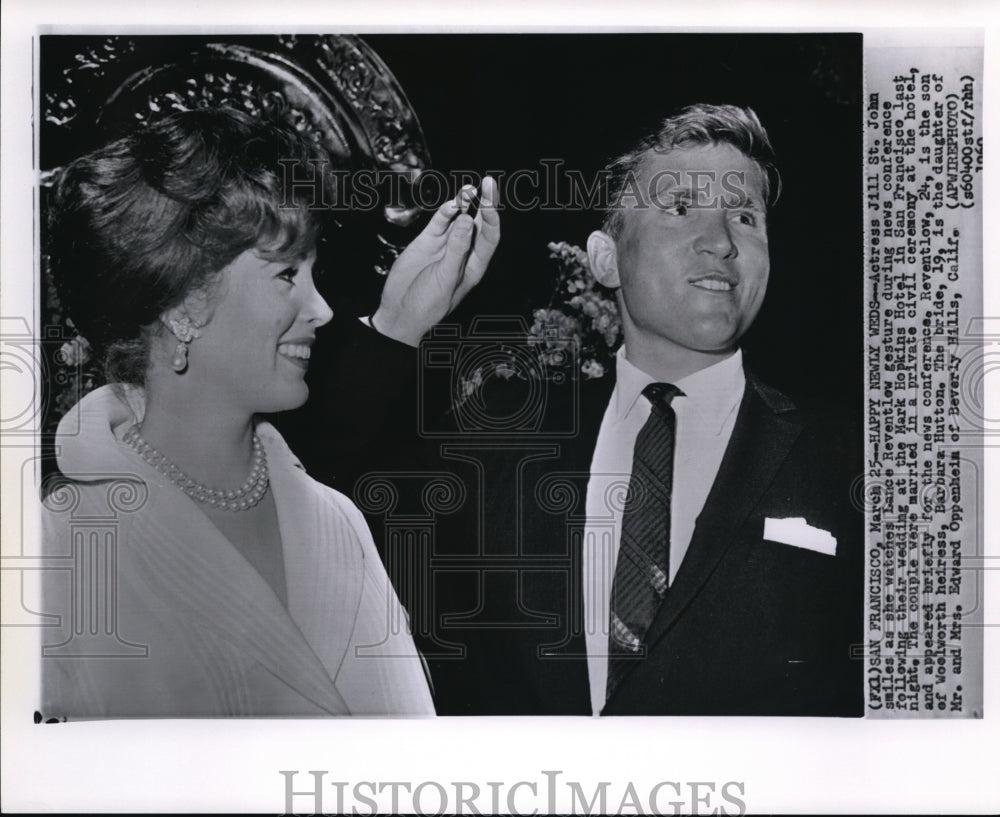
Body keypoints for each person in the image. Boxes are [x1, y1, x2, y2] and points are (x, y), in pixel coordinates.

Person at [293, 103, 863, 716]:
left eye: (745, 217)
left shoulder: (857, 454)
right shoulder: (497, 444)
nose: (722, 242)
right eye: (679, 209)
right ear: (605, 259)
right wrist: (399, 324)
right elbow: (314, 509)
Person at [39, 108, 498, 717]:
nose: (323, 308)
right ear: (182, 302)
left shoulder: (339, 520)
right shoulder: (57, 547)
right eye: (287, 274)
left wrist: (403, 319)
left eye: (315, 271)